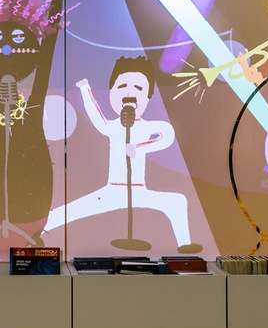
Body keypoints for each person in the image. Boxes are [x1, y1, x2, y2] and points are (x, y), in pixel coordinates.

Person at [45, 56, 202, 253]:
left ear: (148, 96)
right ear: (111, 92)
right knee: (70, 211)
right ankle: (39, 231)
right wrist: (85, 89)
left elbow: (167, 136)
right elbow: (98, 119)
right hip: (113, 191)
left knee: (177, 201)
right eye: (122, 86)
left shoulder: (148, 127)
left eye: (138, 88)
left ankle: (185, 245)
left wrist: (139, 148)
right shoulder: (114, 127)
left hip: (139, 191)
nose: (129, 92)